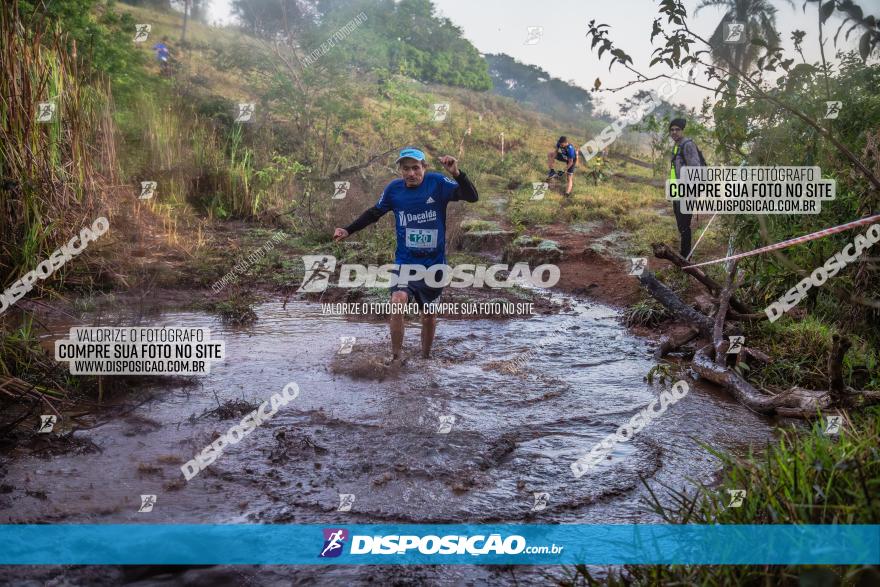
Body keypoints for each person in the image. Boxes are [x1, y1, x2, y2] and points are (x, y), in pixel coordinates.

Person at [333, 147, 479, 364]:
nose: (411, 173)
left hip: (434, 264)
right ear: (400, 170)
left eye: (416, 168)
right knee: (397, 300)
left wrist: (457, 174)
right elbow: (375, 212)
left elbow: (472, 197)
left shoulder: (437, 183)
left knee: (428, 314)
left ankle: (426, 358)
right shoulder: (394, 190)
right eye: (406, 169)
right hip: (406, 261)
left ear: (424, 168)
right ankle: (395, 357)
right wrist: (348, 229)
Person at [668, 117, 706, 258]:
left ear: (682, 130)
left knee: (684, 226)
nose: (674, 132)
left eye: (677, 129)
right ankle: (684, 255)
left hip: (686, 192)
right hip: (677, 191)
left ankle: (685, 257)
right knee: (681, 225)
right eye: (672, 130)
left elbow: (695, 169)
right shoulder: (676, 145)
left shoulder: (687, 145)